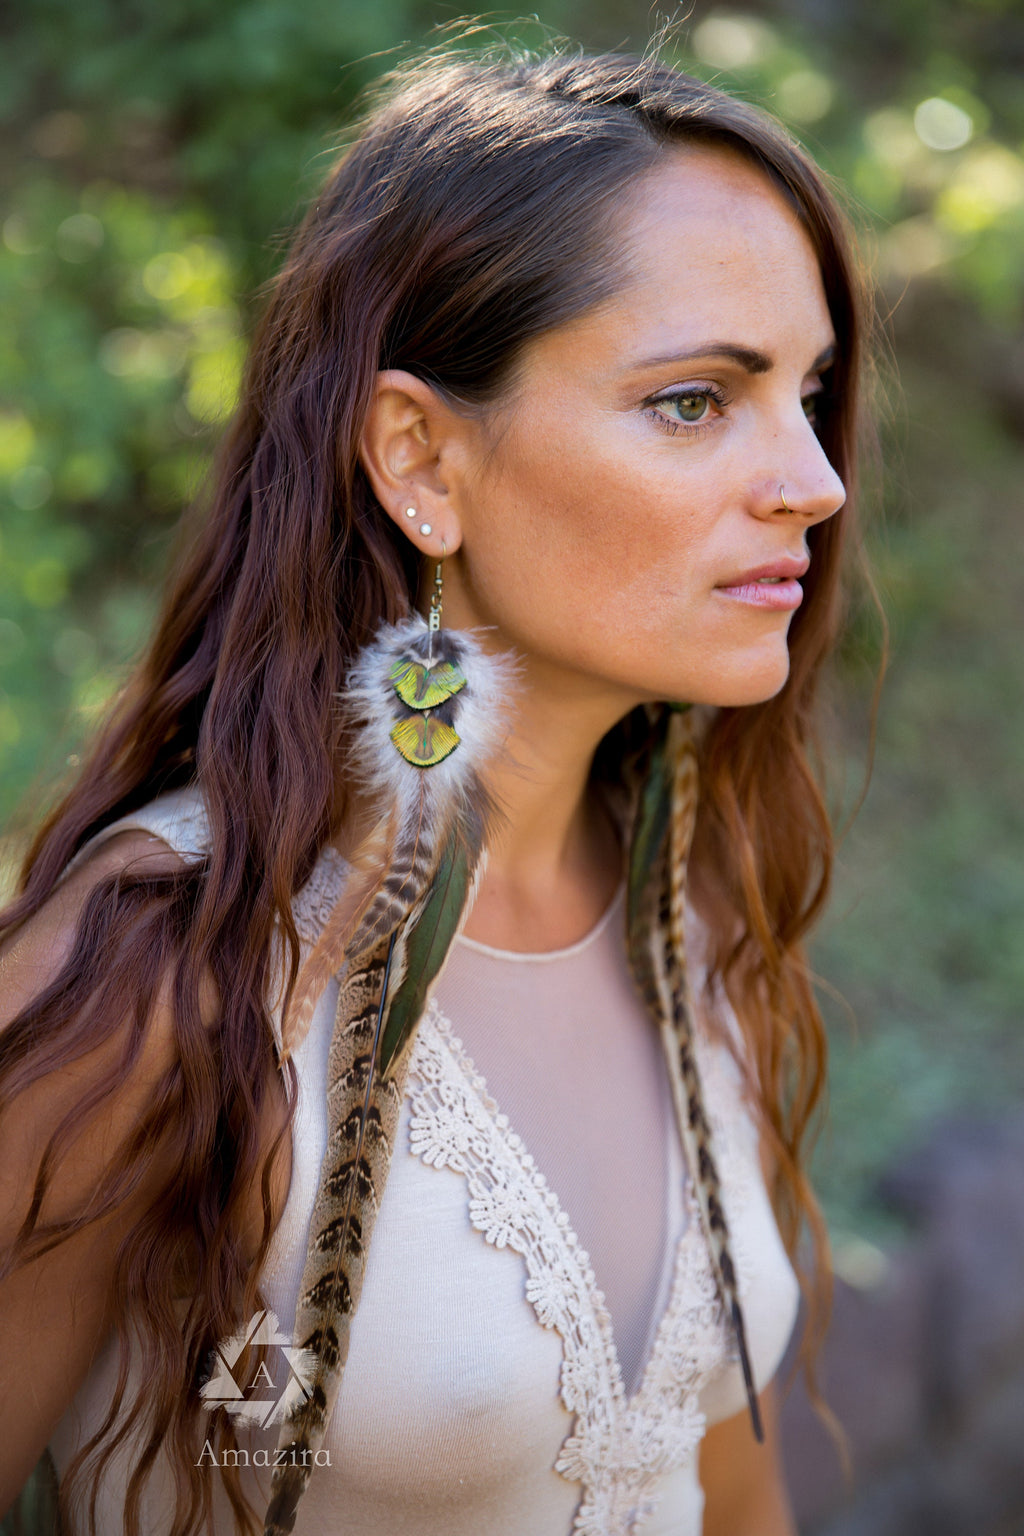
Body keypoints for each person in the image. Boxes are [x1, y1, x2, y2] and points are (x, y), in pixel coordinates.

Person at [0, 39, 870, 1536]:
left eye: (809, 391)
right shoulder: (161, 977)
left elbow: (733, 1497)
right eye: (692, 401)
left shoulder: (691, 921)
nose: (814, 480)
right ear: (421, 458)